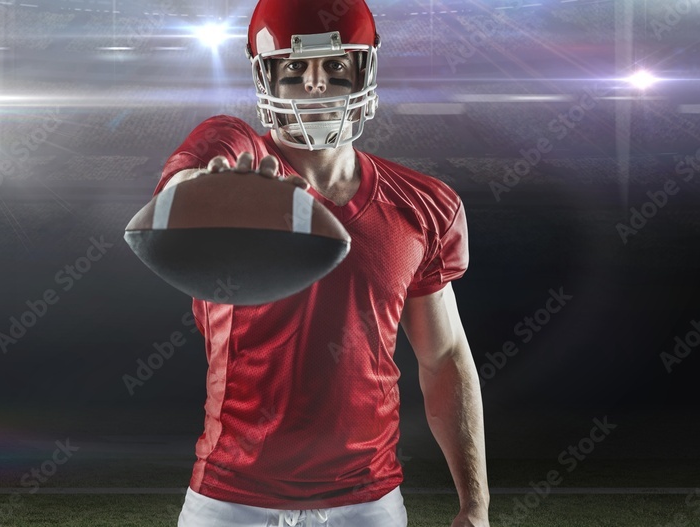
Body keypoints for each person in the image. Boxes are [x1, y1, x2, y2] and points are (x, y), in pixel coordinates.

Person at [151, 1, 489, 525]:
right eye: (294, 69)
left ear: (363, 69)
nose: (314, 85)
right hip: (231, 497)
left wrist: (475, 506)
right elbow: (182, 192)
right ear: (266, 77)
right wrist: (200, 190)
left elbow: (443, 358)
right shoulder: (235, 155)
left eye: (333, 66)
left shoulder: (422, 204)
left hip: (367, 501)